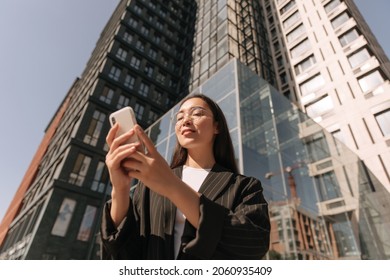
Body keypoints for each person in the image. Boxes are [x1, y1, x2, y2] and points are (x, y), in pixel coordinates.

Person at [100, 94, 270, 259]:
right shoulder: (149, 184)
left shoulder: (244, 186)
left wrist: (173, 187)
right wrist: (120, 190)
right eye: (180, 117)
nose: (186, 121)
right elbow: (125, 255)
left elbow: (255, 245)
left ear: (217, 127)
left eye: (197, 114)